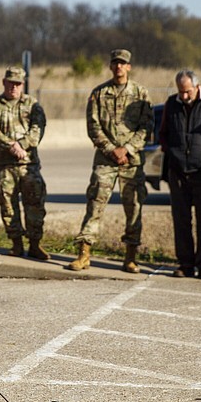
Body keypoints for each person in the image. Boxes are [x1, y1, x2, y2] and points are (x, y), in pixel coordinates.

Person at [68, 49, 153, 273]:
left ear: (129, 67)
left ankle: (131, 257)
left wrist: (127, 149)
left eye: (123, 63)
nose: (118, 67)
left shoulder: (141, 93)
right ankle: (84, 254)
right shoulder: (98, 93)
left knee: (134, 207)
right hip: (106, 160)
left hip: (131, 162)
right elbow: (93, 126)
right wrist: (111, 149)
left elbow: (146, 127)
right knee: (95, 204)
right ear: (110, 66)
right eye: (115, 63)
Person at [159, 70, 201, 279]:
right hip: (178, 170)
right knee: (181, 219)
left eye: (187, 91)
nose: (184, 96)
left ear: (197, 87)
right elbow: (162, 133)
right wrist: (170, 152)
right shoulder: (171, 104)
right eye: (181, 92)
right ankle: (185, 263)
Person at [0, 66, 48, 260]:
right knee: (8, 206)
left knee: (35, 204)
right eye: (10, 83)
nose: (14, 87)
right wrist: (11, 145)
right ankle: (16, 244)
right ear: (4, 82)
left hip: (28, 165)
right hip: (4, 166)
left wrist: (22, 145)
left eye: (18, 84)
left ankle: (35, 244)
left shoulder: (32, 104)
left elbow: (38, 129)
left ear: (23, 84)